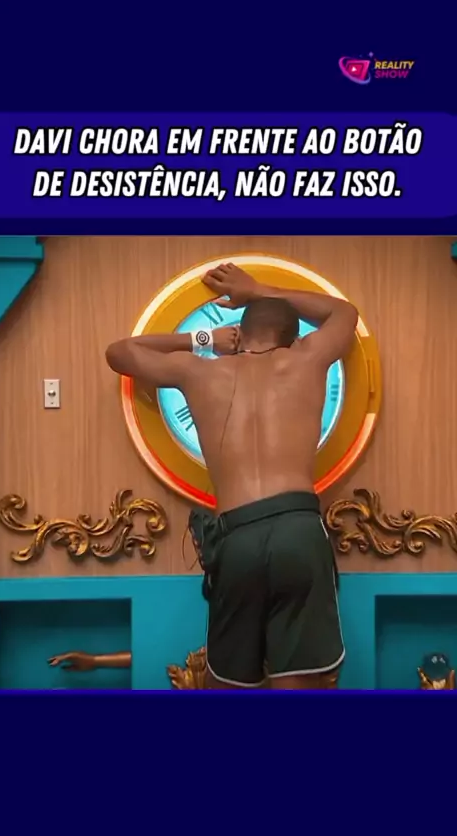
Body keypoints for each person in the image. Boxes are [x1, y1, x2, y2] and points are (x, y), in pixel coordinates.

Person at [104, 262, 358, 690]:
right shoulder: (308, 358)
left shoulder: (200, 371)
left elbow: (119, 352)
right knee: (298, 687)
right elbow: (344, 313)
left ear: (242, 332)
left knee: (231, 687)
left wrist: (203, 339)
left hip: (238, 535)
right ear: (291, 336)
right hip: (298, 529)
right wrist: (259, 288)